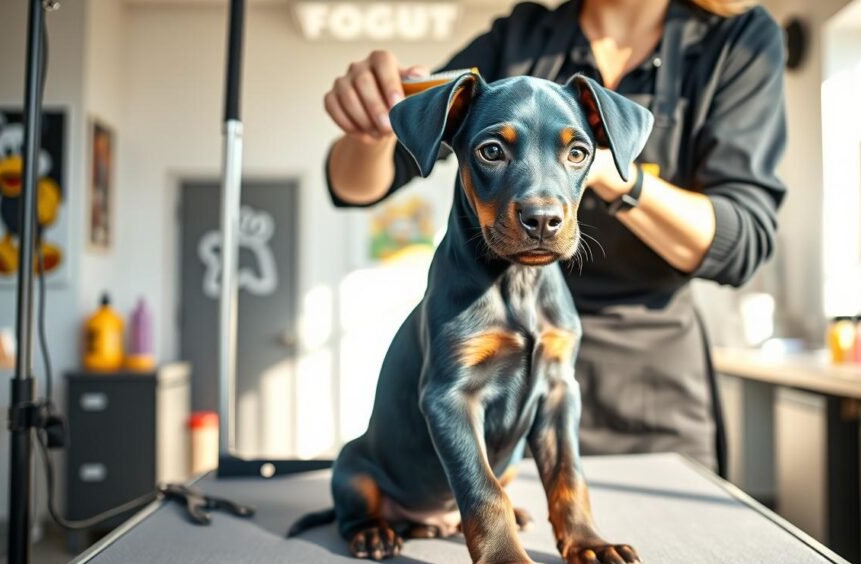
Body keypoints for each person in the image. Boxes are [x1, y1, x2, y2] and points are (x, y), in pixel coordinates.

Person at [323, 0, 786, 474]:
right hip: (508, 404)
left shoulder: (738, 38)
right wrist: (373, 128)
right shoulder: (523, 39)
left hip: (654, 394)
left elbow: (741, 241)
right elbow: (359, 184)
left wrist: (604, 167)